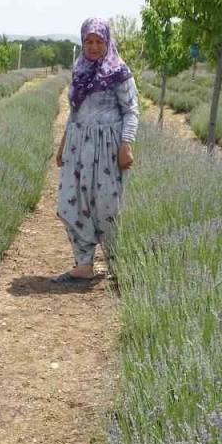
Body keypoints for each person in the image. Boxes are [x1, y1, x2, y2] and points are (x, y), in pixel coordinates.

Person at [52, 17, 139, 284]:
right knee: (72, 202)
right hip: (79, 146)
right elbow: (74, 112)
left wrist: (126, 145)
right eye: (88, 41)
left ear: (107, 42)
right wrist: (63, 145)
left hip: (107, 147)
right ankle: (83, 264)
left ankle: (117, 266)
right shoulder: (79, 69)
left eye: (98, 41)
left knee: (107, 205)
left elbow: (131, 111)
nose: (93, 46)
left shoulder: (118, 71)